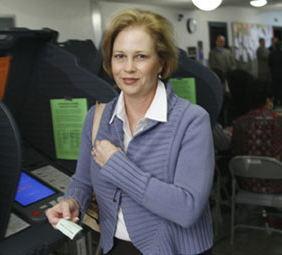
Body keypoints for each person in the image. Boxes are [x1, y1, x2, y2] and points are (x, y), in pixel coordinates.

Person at [46, 8, 214, 255]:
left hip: (176, 250)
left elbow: (186, 209)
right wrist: (72, 202)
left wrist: (116, 164)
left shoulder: (191, 121)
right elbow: (82, 180)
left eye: (141, 56)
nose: (128, 68)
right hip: (115, 247)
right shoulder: (98, 117)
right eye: (120, 56)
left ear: (162, 63)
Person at [232, 79, 282, 193]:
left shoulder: (238, 124)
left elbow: (235, 151)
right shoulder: (281, 122)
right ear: (268, 100)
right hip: (279, 185)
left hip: (248, 185)